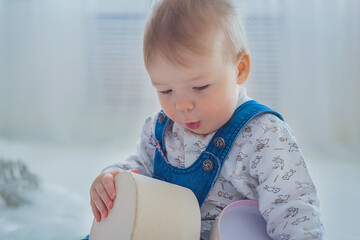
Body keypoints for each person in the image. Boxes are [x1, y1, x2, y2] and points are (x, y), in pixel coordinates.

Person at [85, 0, 323, 239]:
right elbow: (140, 170)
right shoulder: (161, 128)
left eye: (199, 87)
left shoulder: (266, 135)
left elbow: (294, 210)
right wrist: (113, 177)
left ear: (239, 69)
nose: (182, 106)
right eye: (166, 91)